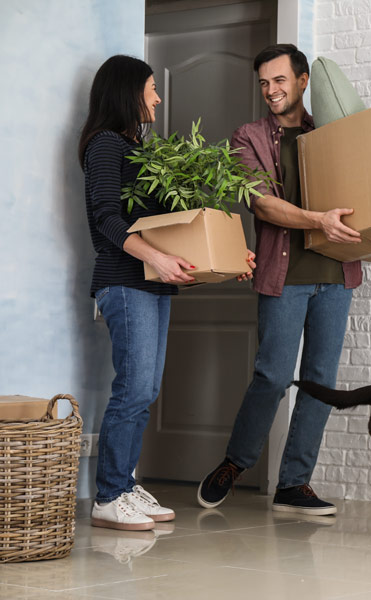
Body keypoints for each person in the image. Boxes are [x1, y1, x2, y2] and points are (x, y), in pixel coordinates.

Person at [196, 44, 371, 515]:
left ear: (302, 81)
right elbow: (261, 203)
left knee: (321, 380)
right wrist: (318, 219)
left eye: (279, 80)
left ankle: (293, 484)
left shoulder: (337, 135)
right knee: (273, 376)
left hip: (336, 278)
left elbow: (363, 211)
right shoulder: (249, 137)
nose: (271, 90)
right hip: (284, 277)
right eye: (263, 83)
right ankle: (235, 463)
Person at [79, 55, 254, 530]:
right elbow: (107, 218)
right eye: (152, 87)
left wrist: (227, 261)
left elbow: (170, 230)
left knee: (146, 389)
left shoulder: (141, 150)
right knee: (133, 388)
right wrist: (154, 258)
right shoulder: (105, 146)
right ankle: (109, 496)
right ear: (128, 91)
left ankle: (125, 484)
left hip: (151, 285)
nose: (158, 97)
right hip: (123, 280)